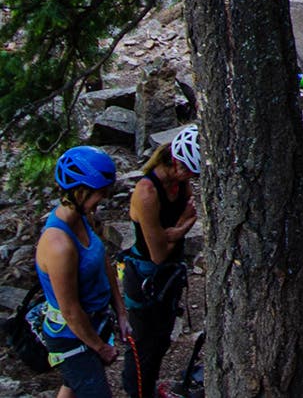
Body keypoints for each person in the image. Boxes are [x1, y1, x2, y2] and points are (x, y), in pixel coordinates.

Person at [34, 146, 130, 398]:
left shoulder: (83, 218)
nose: (104, 198)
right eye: (100, 193)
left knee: (72, 386)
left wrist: (120, 311)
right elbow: (70, 310)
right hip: (70, 335)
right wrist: (100, 347)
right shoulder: (59, 245)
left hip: (92, 323)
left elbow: (102, 261)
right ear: (80, 191)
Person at [120, 125, 199, 398]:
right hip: (146, 277)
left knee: (161, 339)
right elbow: (158, 253)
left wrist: (172, 233)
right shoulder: (147, 192)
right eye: (189, 171)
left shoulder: (180, 182)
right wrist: (181, 226)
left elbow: (191, 214)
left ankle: (150, 390)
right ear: (175, 161)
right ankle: (138, 393)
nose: (191, 178)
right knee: (143, 344)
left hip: (168, 275)